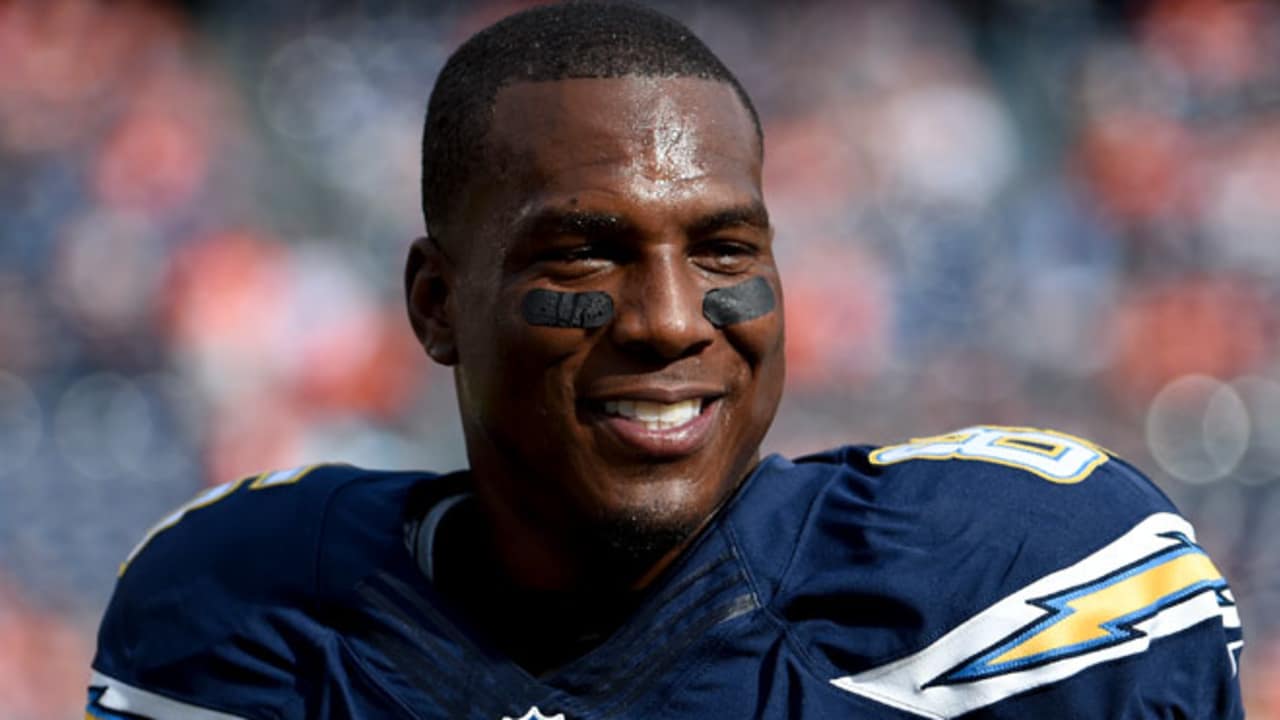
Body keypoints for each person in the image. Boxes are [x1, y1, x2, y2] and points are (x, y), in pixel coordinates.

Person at [86, 3, 1245, 718]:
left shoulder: (1020, 583)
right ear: (436, 305)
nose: (669, 320)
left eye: (724, 246)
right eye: (585, 255)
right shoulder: (247, 616)